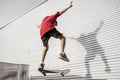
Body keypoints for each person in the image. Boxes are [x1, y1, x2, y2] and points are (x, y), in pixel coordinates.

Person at [37, 1, 73, 71]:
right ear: (54, 21)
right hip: (48, 28)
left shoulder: (44, 20)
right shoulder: (53, 17)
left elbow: (40, 25)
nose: (55, 25)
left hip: (42, 32)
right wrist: (69, 6)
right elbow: (62, 11)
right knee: (62, 38)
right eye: (55, 24)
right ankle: (62, 53)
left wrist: (38, 26)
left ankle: (41, 64)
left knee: (45, 47)